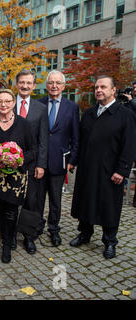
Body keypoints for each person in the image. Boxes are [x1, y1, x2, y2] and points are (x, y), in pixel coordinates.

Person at [70, 75, 135, 259]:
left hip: (110, 171)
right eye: (97, 87)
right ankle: (85, 233)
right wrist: (74, 161)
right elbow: (81, 141)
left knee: (109, 206)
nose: (99, 90)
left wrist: (122, 170)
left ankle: (109, 241)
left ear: (113, 90)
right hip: (88, 167)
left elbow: (129, 145)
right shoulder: (89, 114)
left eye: (103, 87)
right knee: (85, 201)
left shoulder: (125, 115)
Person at [0, 89, 36, 263]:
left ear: (13, 103)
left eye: (7, 101)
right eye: (0, 101)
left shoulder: (24, 125)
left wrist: (18, 160)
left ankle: (7, 247)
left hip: (14, 178)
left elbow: (33, 150)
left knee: (10, 213)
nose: (3, 104)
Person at [38, 70, 79, 246]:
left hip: (59, 162)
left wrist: (72, 161)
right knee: (36, 199)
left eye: (58, 83)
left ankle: (54, 229)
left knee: (56, 199)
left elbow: (76, 137)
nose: (54, 86)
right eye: (51, 83)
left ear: (63, 86)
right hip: (39, 162)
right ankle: (35, 228)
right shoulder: (38, 104)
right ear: (46, 86)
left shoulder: (72, 107)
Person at [14, 69, 49, 254]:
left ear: (34, 86)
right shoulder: (7, 104)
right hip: (10, 163)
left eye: (29, 83)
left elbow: (44, 140)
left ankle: (28, 236)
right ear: (16, 84)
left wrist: (41, 164)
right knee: (10, 200)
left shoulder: (41, 109)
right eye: (22, 82)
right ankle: (10, 234)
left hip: (32, 163)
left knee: (31, 201)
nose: (25, 86)